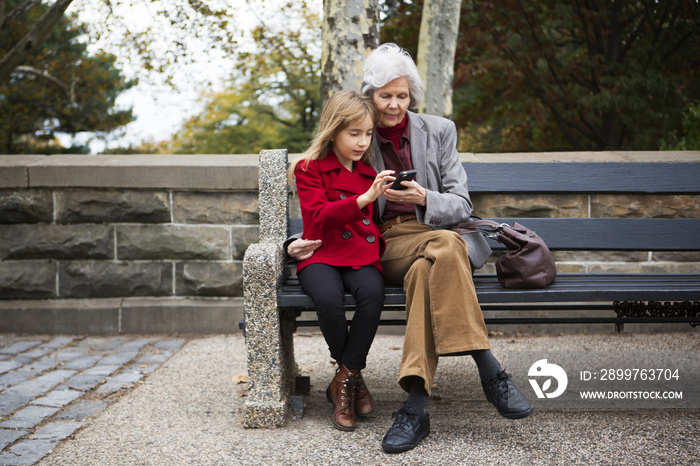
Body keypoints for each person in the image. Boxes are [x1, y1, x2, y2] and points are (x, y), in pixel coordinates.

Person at [288, 44, 533, 452]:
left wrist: (425, 199)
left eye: (402, 95)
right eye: (385, 95)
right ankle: (489, 369)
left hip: (432, 233)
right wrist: (291, 242)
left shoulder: (439, 130)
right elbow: (324, 194)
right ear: (370, 94)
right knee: (447, 246)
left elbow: (463, 204)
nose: (394, 105)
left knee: (432, 263)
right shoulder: (358, 134)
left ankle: (416, 406)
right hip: (383, 243)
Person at [288, 90, 395, 432]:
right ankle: (353, 379)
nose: (363, 142)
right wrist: (364, 199)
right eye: (354, 133)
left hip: (360, 256)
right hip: (321, 252)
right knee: (329, 299)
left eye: (368, 133)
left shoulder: (369, 173)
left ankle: (344, 378)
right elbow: (317, 218)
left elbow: (377, 223)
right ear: (333, 130)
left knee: (371, 296)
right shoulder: (309, 168)